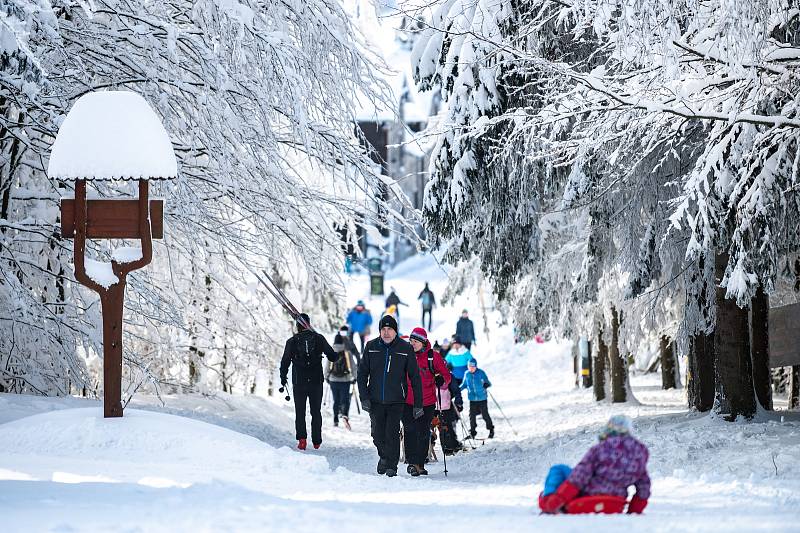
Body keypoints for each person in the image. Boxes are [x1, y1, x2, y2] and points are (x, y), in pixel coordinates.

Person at [539, 415, 650, 515]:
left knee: (559, 469)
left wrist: (557, 500)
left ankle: (549, 499)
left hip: (588, 498)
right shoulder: (638, 455)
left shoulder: (600, 449)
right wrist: (634, 511)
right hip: (615, 503)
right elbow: (644, 486)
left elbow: (579, 477)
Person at [357, 315, 423, 477]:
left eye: (390, 329)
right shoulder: (371, 346)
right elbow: (362, 373)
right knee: (377, 434)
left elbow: (415, 376)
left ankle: (391, 465)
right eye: (383, 329)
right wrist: (364, 397)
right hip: (375, 399)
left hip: (396, 399)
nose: (386, 333)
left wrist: (418, 403)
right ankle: (384, 457)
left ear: (395, 331)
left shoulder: (404, 348)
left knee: (391, 433)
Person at [280, 313, 339, 450]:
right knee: (315, 412)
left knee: (300, 412)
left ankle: (302, 440)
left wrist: (283, 377)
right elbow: (332, 357)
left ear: (297, 326)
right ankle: (317, 441)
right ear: (309, 324)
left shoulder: (292, 341)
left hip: (298, 382)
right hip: (316, 381)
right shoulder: (319, 338)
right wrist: (336, 355)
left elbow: (285, 362)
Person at [403, 327, 450, 476]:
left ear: (423, 342)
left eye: (416, 341)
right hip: (408, 401)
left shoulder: (433, 357)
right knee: (409, 430)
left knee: (423, 432)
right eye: (411, 341)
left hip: (427, 401)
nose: (413, 344)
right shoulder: (406, 355)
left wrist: (441, 379)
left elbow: (446, 377)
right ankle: (412, 463)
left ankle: (420, 463)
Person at [327, 326, 359, 430]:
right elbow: (353, 367)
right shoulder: (347, 352)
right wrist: (354, 378)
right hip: (345, 380)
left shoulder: (331, 352)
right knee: (345, 399)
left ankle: (335, 419)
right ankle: (345, 414)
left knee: (336, 400)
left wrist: (326, 377)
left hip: (333, 379)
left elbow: (327, 366)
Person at [460, 357, 494, 439]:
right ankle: (472, 432)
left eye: (473, 367)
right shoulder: (467, 374)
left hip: (482, 398)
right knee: (472, 416)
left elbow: (488, 383)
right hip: (472, 399)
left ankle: (491, 429)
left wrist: (486, 384)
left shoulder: (481, 373)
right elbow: (464, 385)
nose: (471, 369)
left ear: (476, 367)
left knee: (485, 415)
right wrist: (456, 390)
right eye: (470, 367)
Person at [445, 336, 472, 407]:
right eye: (454, 344)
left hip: (465, 376)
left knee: (474, 390)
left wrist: (471, 367)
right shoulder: (451, 353)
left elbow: (472, 360)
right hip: (455, 376)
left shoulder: (465, 352)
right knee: (454, 390)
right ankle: (456, 406)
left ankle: (478, 408)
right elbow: (444, 362)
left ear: (460, 344)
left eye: (457, 344)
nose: (456, 346)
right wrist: (447, 366)